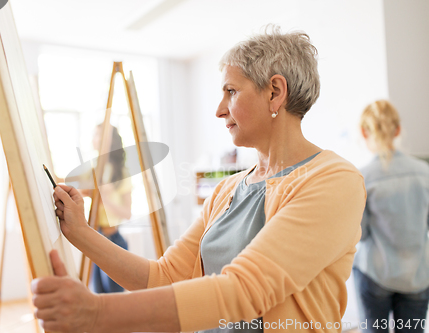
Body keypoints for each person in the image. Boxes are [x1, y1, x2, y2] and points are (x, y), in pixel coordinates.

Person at [31, 26, 366, 333]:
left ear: (275, 92)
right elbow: (163, 278)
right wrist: (80, 231)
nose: (219, 110)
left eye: (231, 91)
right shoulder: (226, 190)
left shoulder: (334, 181)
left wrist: (96, 312)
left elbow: (245, 289)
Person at [353, 100, 429, 333]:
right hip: (417, 275)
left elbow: (361, 233)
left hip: (376, 275)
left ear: (364, 132)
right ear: (397, 130)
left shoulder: (363, 177)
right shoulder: (424, 172)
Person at [85, 124, 132, 293]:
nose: (94, 139)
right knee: (98, 297)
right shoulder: (94, 168)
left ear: (109, 141)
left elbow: (127, 213)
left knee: (115, 299)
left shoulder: (121, 172)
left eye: (98, 135)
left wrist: (104, 198)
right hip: (94, 237)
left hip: (113, 240)